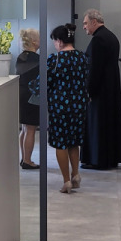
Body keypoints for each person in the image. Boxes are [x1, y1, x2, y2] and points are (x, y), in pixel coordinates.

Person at [80, 8, 121, 170]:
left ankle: (98, 160)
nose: (84, 27)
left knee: (98, 125)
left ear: (94, 22)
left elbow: (95, 69)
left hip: (100, 90)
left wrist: (89, 91)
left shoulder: (98, 40)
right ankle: (111, 158)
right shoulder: (111, 37)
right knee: (110, 124)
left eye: (85, 23)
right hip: (111, 88)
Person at [46, 23, 89, 193]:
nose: (55, 45)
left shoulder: (55, 59)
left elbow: (44, 81)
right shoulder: (82, 57)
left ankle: (66, 181)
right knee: (73, 142)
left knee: (61, 144)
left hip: (60, 107)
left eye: (54, 41)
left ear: (60, 41)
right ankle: (76, 175)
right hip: (79, 105)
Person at [15, 27, 41, 169]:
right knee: (31, 129)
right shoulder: (37, 59)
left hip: (21, 93)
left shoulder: (20, 57)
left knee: (25, 128)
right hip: (32, 96)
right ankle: (27, 161)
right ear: (34, 42)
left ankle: (24, 158)